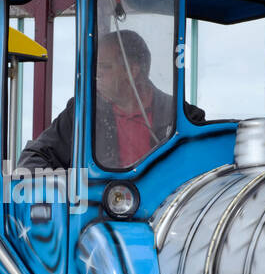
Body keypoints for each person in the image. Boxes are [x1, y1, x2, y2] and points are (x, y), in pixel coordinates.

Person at [17, 29, 205, 172]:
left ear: (132, 70)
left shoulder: (185, 117)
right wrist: (62, 188)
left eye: (104, 67)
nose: (95, 75)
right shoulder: (82, 112)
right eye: (94, 67)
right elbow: (33, 157)